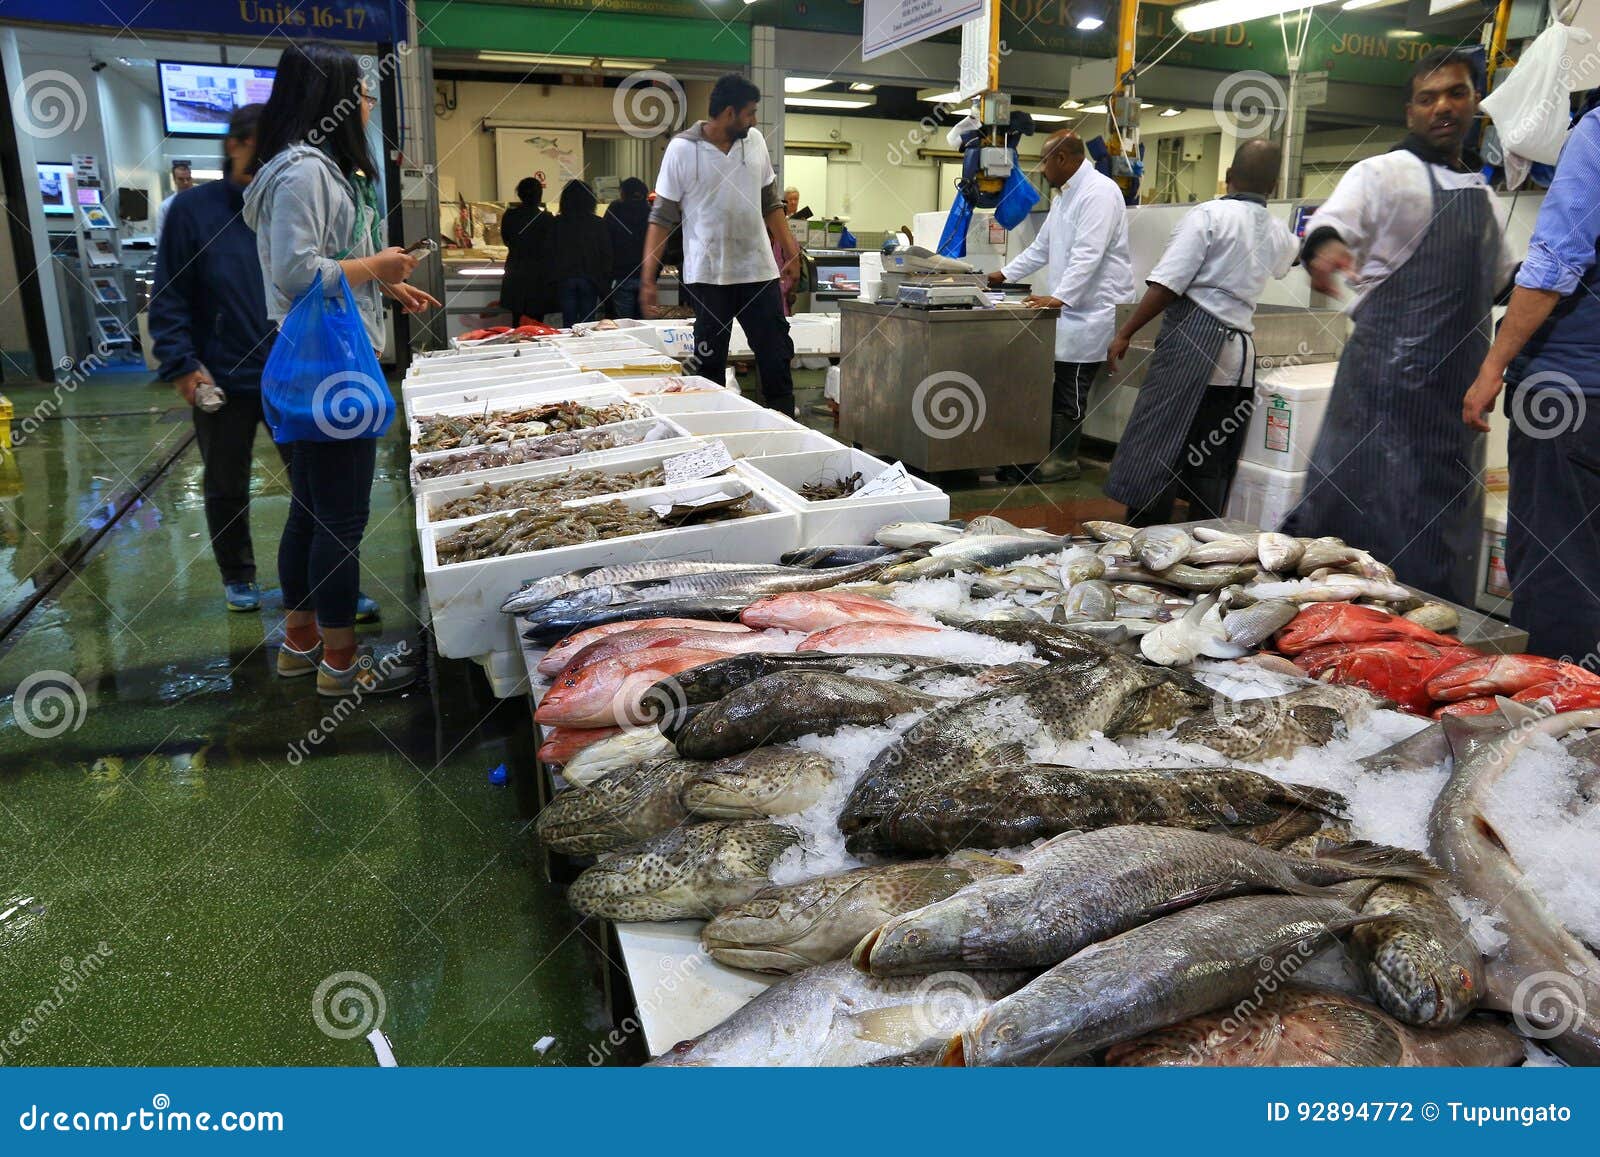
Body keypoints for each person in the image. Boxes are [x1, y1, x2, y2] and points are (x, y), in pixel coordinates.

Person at [243, 40, 439, 697]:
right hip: (329, 377)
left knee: (310, 514)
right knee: (339, 522)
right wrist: (371, 270)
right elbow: (297, 273)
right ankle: (341, 663)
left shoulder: (312, 169)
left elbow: (328, 263)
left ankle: (300, 647)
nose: (367, 101)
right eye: (359, 90)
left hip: (312, 369)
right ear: (330, 96)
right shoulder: (304, 173)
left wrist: (384, 284)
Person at [1283, 47, 1513, 606]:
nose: (1443, 107)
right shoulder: (1381, 173)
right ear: (1410, 111)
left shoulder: (1480, 192)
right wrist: (1327, 249)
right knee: (1363, 523)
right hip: (1382, 396)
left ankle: (1425, 648)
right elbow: (1333, 224)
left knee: (1437, 530)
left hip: (1453, 406)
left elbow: (1504, 282)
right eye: (1428, 97)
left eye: (1456, 93)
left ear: (1474, 102)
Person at [1461, 104, 1600, 659]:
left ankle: (1551, 721)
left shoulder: (1596, 133)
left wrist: (1492, 366)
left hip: (1570, 394)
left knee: (1555, 570)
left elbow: (1554, 263)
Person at [1103, 140, 1297, 525]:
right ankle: (1204, 542)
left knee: (1157, 447)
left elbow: (1167, 285)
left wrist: (1125, 332)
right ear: (1274, 186)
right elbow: (1289, 260)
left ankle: (1145, 540)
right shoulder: (1277, 229)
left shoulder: (1208, 215)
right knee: (1211, 458)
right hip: (1237, 359)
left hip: (1192, 344)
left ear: (1227, 178)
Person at [149, 106, 288, 612]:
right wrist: (182, 364)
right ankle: (238, 575)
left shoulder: (287, 203)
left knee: (317, 481)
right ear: (235, 145)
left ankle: (327, 580)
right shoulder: (194, 211)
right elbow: (169, 294)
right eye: (265, 143)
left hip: (290, 372)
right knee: (226, 482)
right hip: (221, 375)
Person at [641, 73, 800, 414]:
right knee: (708, 359)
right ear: (729, 113)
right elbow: (661, 218)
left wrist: (790, 249)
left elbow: (770, 201)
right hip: (708, 276)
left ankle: (785, 423)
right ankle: (711, 427)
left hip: (758, 271)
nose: (754, 120)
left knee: (775, 353)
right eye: (750, 113)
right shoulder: (682, 150)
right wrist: (647, 278)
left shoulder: (754, 141)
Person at [986, 130, 1133, 483]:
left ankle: (1064, 460)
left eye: (1044, 160)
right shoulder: (1064, 198)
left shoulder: (1099, 193)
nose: (1042, 168)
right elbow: (1041, 248)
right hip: (1072, 310)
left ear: (1063, 159)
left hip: (1094, 309)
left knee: (1073, 384)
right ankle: (1049, 454)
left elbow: (1089, 253)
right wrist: (1002, 275)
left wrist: (1060, 296)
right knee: (1061, 380)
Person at [546, 179, 612, 327]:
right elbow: (606, 253)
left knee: (568, 323)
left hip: (564, 278)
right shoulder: (598, 223)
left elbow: (549, 252)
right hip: (590, 278)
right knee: (587, 323)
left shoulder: (556, 223)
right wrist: (605, 279)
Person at [500, 177, 552, 324]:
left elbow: (506, 240)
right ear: (539, 195)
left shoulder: (509, 216)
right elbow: (550, 246)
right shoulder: (547, 218)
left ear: (520, 194)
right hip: (539, 275)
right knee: (536, 322)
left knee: (517, 320)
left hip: (515, 271)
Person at [604, 177, 651, 319]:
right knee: (644, 324)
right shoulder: (651, 212)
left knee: (623, 323)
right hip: (646, 276)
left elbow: (606, 240)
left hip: (621, 275)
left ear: (623, 193)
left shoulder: (615, 209)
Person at [152, 160, 193, 243]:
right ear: (174, 180)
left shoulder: (202, 203)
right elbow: (160, 236)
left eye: (188, 179)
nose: (186, 182)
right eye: (181, 179)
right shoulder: (166, 206)